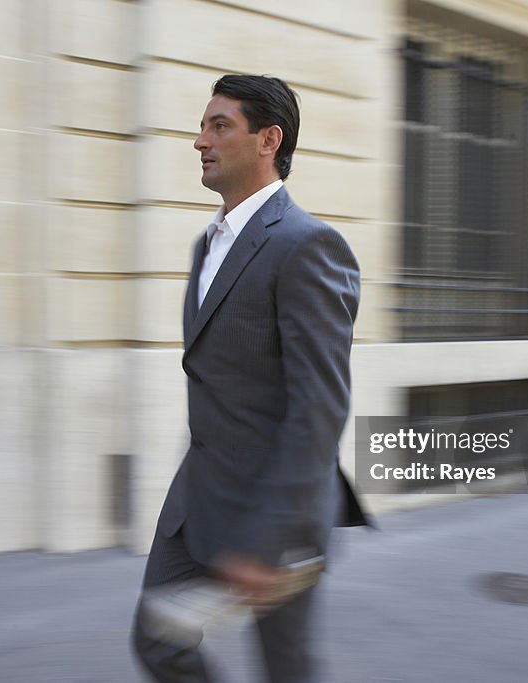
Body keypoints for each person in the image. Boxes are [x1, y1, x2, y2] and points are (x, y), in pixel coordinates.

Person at [132, 74, 369, 683]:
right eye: (202, 125)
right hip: (200, 494)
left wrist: (268, 538)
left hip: (277, 508)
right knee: (158, 641)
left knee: (285, 668)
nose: (199, 141)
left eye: (219, 126)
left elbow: (318, 407)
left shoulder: (308, 246)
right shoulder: (206, 245)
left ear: (269, 140)